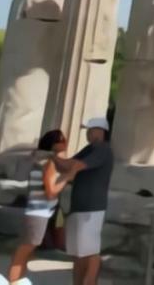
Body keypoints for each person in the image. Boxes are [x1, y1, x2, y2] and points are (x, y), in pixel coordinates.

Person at [55, 118, 114, 285]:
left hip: (91, 209)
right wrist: (52, 157)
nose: (88, 133)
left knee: (89, 252)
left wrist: (68, 171)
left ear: (101, 131)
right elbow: (66, 165)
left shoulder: (103, 149)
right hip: (78, 208)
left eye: (91, 129)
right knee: (78, 253)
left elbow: (77, 165)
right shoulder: (89, 149)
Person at [7, 129, 68, 282]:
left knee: (27, 252)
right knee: (24, 251)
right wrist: (67, 177)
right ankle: (13, 281)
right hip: (38, 212)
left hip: (37, 211)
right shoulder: (49, 163)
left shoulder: (37, 160)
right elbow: (50, 192)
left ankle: (18, 280)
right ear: (54, 144)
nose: (65, 143)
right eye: (62, 140)